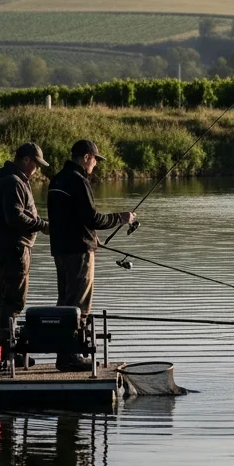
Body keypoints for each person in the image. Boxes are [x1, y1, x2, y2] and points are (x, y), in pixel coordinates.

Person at [47, 139, 135, 371]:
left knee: (65, 301)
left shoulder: (57, 179)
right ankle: (71, 356)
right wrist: (121, 218)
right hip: (78, 251)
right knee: (79, 303)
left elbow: (66, 218)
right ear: (86, 157)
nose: (95, 164)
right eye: (95, 160)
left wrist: (91, 236)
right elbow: (92, 218)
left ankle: (64, 353)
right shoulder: (78, 180)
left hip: (60, 250)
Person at [0, 142, 50, 354]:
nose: (37, 169)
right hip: (13, 249)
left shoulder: (11, 179)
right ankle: (8, 352)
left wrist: (38, 222)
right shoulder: (13, 182)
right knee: (13, 301)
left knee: (6, 300)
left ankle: (5, 350)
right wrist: (42, 225)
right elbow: (14, 217)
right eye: (36, 164)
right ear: (26, 160)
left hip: (6, 247)